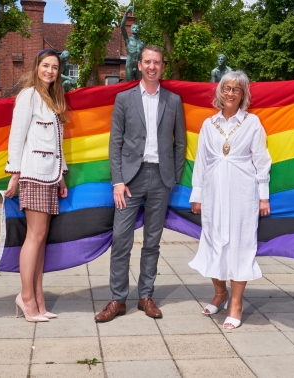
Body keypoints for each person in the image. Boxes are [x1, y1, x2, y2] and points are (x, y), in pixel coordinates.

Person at [94, 45, 186, 322]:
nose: (151, 66)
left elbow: (180, 143)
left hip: (161, 178)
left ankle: (146, 296)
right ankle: (117, 300)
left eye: (157, 62)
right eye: (147, 61)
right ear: (139, 65)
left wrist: (173, 179)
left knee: (152, 242)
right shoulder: (124, 99)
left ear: (162, 67)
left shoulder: (173, 100)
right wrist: (117, 181)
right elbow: (115, 143)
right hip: (130, 180)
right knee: (121, 240)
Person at [189, 70, 271, 329]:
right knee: (213, 242)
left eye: (236, 89)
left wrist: (263, 196)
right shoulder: (208, 124)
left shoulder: (252, 123)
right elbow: (200, 162)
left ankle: (236, 303)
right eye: (227, 88)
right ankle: (219, 293)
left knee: (239, 245)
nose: (230, 93)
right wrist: (197, 194)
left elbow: (261, 160)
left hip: (243, 193)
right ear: (219, 91)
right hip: (213, 193)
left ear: (243, 94)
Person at [4, 49, 69, 322]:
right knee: (34, 236)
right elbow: (16, 136)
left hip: (50, 176)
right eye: (45, 65)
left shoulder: (53, 102)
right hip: (32, 175)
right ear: (36, 66)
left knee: (41, 239)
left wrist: (61, 174)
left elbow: (55, 144)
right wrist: (14, 173)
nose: (50, 71)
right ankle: (26, 297)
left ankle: (39, 298)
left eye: (54, 67)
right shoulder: (28, 95)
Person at [121, 6, 144, 81]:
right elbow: (122, 26)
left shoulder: (141, 43)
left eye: (137, 28)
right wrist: (126, 13)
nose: (136, 29)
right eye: (134, 28)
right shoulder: (128, 39)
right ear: (130, 30)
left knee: (139, 84)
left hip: (139, 65)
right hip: (130, 64)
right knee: (129, 85)